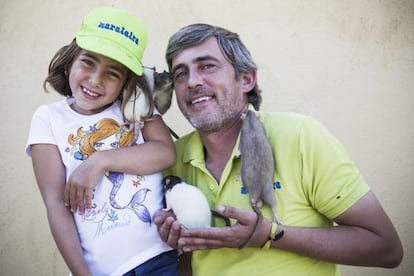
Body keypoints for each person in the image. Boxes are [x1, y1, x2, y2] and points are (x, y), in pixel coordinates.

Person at [153, 23, 404, 276]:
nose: (192, 82)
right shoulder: (170, 158)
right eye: (180, 74)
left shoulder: (300, 136)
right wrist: (173, 241)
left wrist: (269, 235)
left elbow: (386, 247)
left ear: (247, 79)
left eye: (207, 66)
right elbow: (188, 262)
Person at [26, 7, 178, 276]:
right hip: (104, 270)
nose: (95, 80)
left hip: (159, 257)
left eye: (113, 73)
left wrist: (100, 160)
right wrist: (82, 273)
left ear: (126, 82)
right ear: (70, 59)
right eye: (88, 62)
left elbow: (165, 152)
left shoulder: (135, 107)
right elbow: (55, 203)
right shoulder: (48, 119)